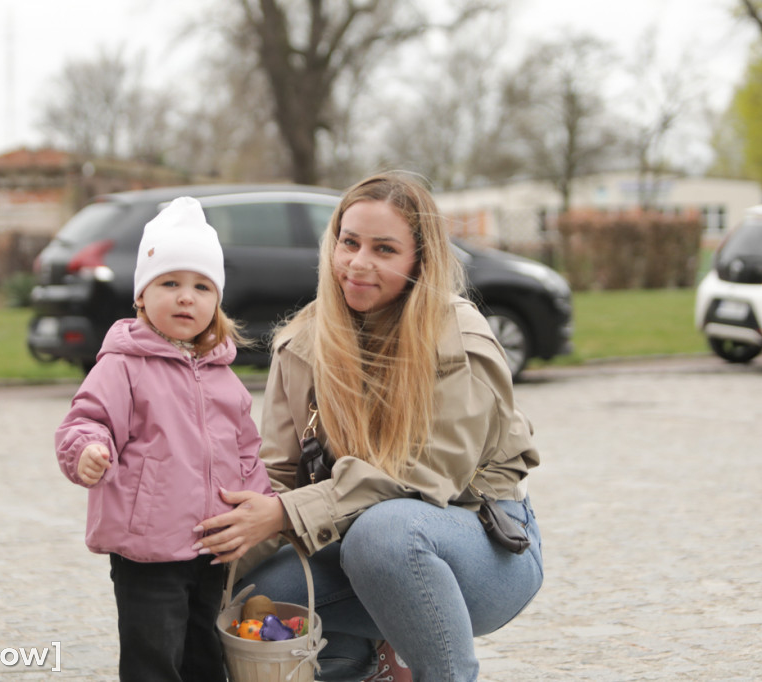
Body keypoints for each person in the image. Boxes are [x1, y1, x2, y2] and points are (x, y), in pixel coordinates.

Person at [193, 172, 544, 682]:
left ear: (419, 261)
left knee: (385, 534)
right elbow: (277, 477)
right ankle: (363, 661)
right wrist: (210, 556)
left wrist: (285, 512)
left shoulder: (459, 338)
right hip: (354, 543)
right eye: (349, 242)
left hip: (482, 547)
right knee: (248, 605)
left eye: (384, 249)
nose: (358, 263)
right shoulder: (304, 343)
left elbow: (422, 476)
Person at [55, 196, 273, 682]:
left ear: (216, 300)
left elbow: (246, 452)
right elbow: (86, 420)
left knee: (205, 656)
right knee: (152, 657)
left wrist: (260, 508)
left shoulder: (223, 377)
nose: (185, 297)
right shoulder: (123, 366)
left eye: (200, 286)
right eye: (169, 283)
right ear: (141, 296)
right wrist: (88, 450)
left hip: (211, 548)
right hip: (147, 549)